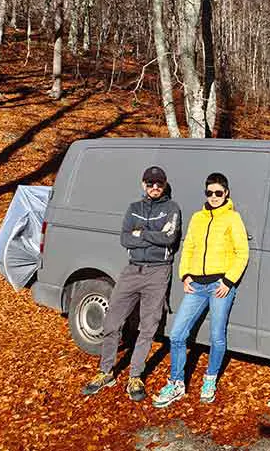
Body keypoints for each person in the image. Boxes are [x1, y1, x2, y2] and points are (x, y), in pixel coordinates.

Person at [81, 166, 182, 402]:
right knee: (112, 321)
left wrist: (142, 234)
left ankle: (135, 375)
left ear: (165, 184)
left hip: (157, 273)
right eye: (150, 183)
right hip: (131, 270)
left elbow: (169, 238)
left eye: (159, 183)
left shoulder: (172, 209)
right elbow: (124, 238)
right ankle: (105, 372)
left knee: (148, 326)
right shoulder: (133, 209)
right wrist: (151, 234)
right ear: (143, 184)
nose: (154, 187)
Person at [152, 172, 249, 407]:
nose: (214, 197)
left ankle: (210, 379)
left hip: (219, 286)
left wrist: (228, 281)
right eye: (209, 193)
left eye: (218, 193)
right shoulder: (197, 217)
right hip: (196, 285)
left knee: (217, 336)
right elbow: (189, 247)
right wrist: (185, 275)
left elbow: (242, 252)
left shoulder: (233, 218)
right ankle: (176, 383)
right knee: (176, 334)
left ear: (226, 193)